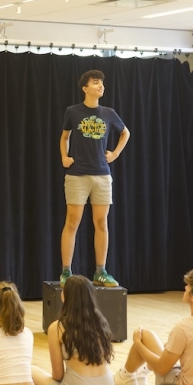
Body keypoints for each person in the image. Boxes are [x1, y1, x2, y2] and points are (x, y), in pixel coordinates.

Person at [59, 69, 130, 288]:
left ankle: (101, 271)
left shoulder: (109, 112)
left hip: (102, 175)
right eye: (96, 83)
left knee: (101, 223)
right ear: (85, 88)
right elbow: (64, 137)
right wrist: (64, 156)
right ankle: (66, 272)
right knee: (73, 222)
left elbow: (125, 133)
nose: (101, 86)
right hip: (77, 175)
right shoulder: (73, 111)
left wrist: (115, 154)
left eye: (102, 83)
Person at [42, 275, 118, 385]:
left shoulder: (57, 327)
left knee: (32, 372)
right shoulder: (102, 323)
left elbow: (58, 375)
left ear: (65, 296)